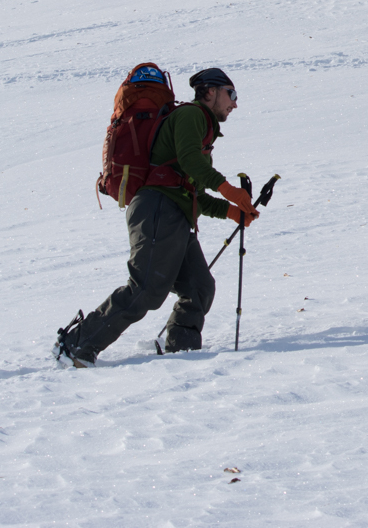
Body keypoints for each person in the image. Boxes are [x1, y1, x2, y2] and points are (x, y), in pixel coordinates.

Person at [55, 68, 258, 366]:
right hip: (157, 209)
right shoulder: (191, 115)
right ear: (210, 91)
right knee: (146, 289)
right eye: (232, 94)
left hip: (174, 213)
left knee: (198, 288)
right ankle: (76, 345)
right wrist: (229, 190)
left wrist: (231, 211)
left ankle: (182, 354)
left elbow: (193, 192)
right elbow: (190, 161)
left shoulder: (202, 129)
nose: (235, 103)